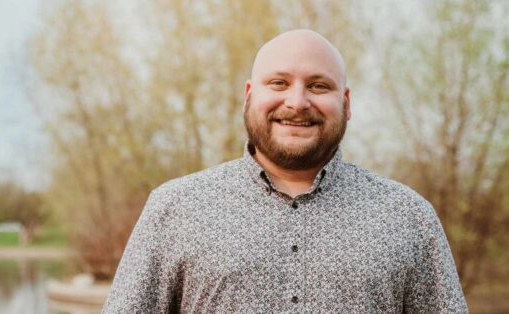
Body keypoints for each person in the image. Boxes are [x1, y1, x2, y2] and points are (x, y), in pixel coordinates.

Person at [103, 29, 467, 313]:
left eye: (318, 85)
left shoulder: (409, 217)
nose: (296, 102)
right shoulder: (174, 210)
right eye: (278, 83)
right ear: (249, 96)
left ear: (346, 103)